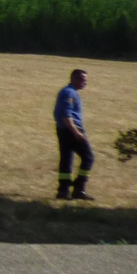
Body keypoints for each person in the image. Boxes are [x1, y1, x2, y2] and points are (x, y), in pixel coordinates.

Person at [55, 68, 94, 201]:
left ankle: (63, 191)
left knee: (67, 159)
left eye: (86, 80)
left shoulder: (70, 92)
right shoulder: (69, 93)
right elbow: (66, 116)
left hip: (63, 130)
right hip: (70, 130)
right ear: (73, 79)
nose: (85, 83)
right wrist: (76, 132)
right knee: (88, 157)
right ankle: (79, 188)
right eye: (82, 80)